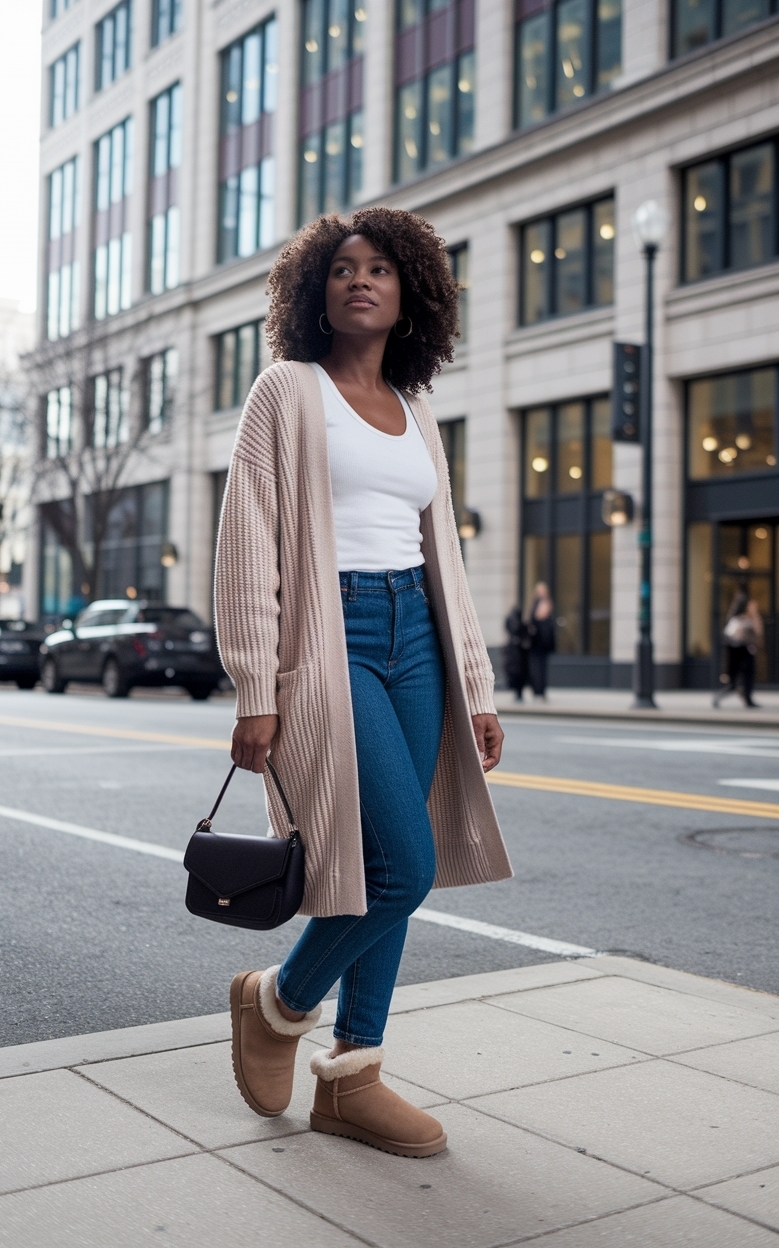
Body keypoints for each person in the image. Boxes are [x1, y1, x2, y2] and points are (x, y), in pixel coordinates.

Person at [215, 207, 513, 1159]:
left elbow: (446, 558)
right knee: (399, 865)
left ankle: (354, 1076)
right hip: (328, 632)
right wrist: (256, 684)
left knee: (393, 859)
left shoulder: (418, 409)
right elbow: (246, 546)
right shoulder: (286, 391)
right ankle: (279, 1000)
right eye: (342, 267)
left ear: (409, 293)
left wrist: (476, 682)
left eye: (381, 267)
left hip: (415, 636)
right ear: (315, 290)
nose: (360, 279)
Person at [713, 587, 763, 708]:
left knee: (742, 680)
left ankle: (746, 697)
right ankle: (722, 698)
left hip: (743, 655)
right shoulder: (741, 621)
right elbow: (754, 634)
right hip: (740, 656)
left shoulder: (743, 619)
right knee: (734, 683)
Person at [525, 582, 555, 700]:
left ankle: (540, 691)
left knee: (540, 667)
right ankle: (537, 690)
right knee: (536, 667)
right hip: (536, 641)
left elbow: (539, 616)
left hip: (541, 642)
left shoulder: (544, 603)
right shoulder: (536, 603)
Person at [503, 605, 528, 701]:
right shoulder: (515, 623)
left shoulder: (519, 624)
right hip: (516, 656)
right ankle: (518, 692)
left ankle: (519, 693)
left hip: (518, 656)